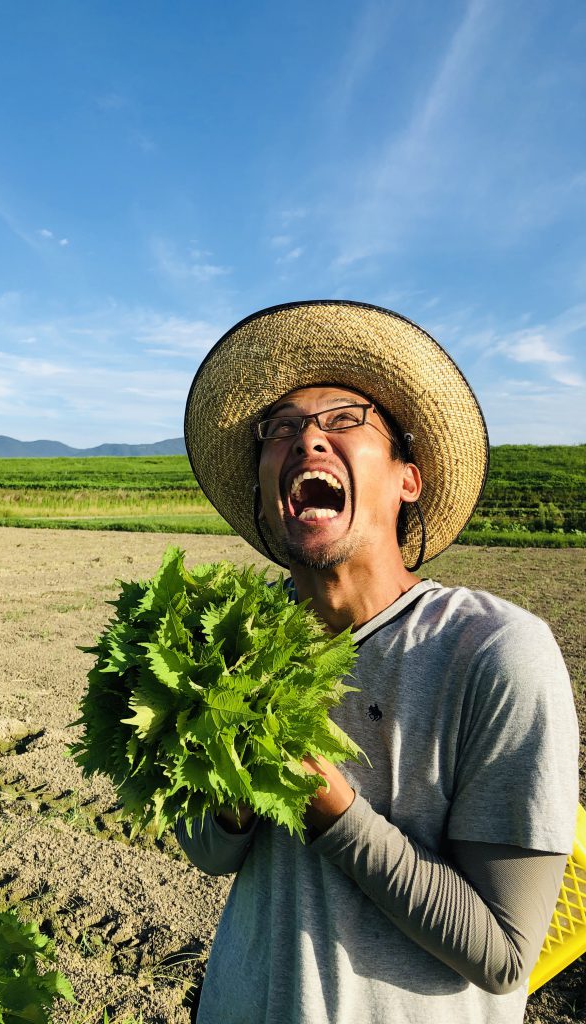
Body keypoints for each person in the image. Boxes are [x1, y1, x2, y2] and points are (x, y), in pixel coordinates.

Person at [177, 300, 579, 1024]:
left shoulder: (492, 652)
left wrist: (328, 805)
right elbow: (209, 854)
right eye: (282, 427)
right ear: (268, 503)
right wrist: (235, 789)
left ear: (408, 479)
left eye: (343, 418)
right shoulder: (236, 645)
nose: (307, 439)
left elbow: (503, 952)